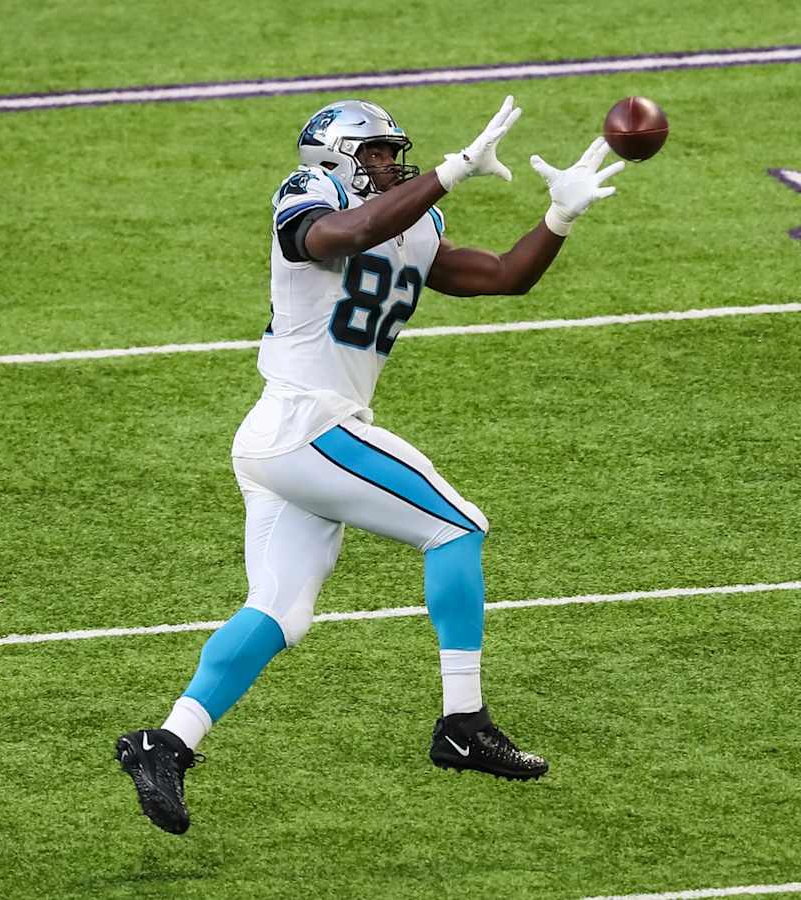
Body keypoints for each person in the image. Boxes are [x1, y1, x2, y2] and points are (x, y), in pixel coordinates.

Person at [115, 96, 624, 834]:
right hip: (305, 422)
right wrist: (451, 172)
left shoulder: (416, 217)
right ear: (333, 155)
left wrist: (559, 219)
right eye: (375, 152)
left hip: (297, 438)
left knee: (281, 612)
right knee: (457, 528)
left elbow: (505, 276)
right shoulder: (308, 195)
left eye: (395, 152)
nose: (390, 163)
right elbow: (343, 235)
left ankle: (165, 742)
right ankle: (463, 724)